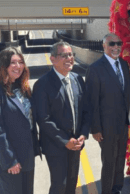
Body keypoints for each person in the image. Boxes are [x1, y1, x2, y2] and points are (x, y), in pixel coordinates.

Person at [0, 47, 40, 194]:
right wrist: (10, 160)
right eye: (13, 63)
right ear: (3, 65)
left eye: (20, 62)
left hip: (26, 156)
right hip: (9, 160)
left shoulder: (23, 88)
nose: (18, 66)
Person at [33, 41, 91, 194]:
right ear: (52, 59)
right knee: (60, 185)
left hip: (76, 144)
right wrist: (65, 141)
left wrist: (83, 134)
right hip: (55, 145)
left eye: (71, 55)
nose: (69, 58)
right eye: (64, 55)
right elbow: (43, 119)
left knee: (72, 183)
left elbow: (86, 110)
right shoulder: (42, 84)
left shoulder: (78, 79)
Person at [85, 33, 130, 194]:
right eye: (112, 44)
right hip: (105, 125)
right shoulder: (95, 69)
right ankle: (107, 190)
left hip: (123, 123)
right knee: (109, 160)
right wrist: (95, 128)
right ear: (104, 46)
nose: (116, 47)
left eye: (118, 43)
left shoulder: (123, 64)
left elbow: (129, 93)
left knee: (121, 157)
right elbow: (91, 102)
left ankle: (117, 188)